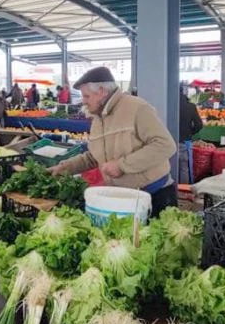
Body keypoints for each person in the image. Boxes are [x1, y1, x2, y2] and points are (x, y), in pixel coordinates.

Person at [49, 67, 177, 215]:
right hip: (123, 199)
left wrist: (122, 165)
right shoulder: (98, 118)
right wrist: (65, 168)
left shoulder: (137, 108)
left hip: (155, 197)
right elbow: (94, 157)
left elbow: (165, 145)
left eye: (86, 96)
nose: (83, 101)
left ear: (102, 91)